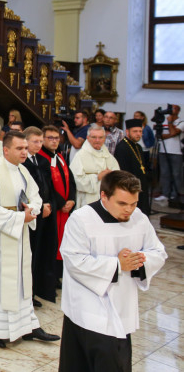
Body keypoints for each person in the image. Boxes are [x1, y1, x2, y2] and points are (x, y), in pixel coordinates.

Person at [59, 171, 167, 372]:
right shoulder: (81, 219)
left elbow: (158, 252)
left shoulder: (139, 218)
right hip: (87, 307)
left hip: (122, 304)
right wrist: (117, 265)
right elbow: (74, 260)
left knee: (118, 362)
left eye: (133, 203)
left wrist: (138, 261)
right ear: (104, 196)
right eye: (122, 203)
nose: (129, 210)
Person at [0, 131, 59, 347]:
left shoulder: (22, 171)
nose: (24, 152)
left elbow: (36, 196)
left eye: (25, 148)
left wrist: (32, 209)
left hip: (18, 236)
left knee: (21, 280)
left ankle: (27, 325)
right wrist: (21, 217)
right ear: (6, 150)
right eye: (19, 148)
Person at [22, 127, 57, 306]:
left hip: (46, 212)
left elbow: (48, 185)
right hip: (31, 214)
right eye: (35, 141)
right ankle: (27, 293)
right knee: (30, 253)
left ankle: (36, 290)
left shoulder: (42, 161)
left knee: (41, 252)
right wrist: (40, 206)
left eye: (41, 141)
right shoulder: (23, 163)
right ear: (26, 141)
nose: (39, 145)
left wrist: (49, 204)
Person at [36, 125, 76, 278]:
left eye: (57, 138)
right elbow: (47, 186)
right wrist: (61, 202)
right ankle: (49, 276)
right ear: (43, 139)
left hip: (64, 208)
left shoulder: (59, 156)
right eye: (50, 138)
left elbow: (70, 179)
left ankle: (58, 273)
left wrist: (71, 199)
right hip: (53, 209)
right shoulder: (41, 158)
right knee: (50, 244)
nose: (54, 141)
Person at [71, 125, 120, 209]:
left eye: (100, 137)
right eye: (94, 137)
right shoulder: (80, 156)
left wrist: (110, 176)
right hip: (87, 201)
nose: (97, 140)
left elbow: (118, 177)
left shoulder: (108, 156)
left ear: (104, 138)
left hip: (106, 199)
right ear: (88, 138)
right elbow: (75, 181)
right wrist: (97, 177)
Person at [114, 119, 151, 215]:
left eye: (140, 131)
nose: (138, 134)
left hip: (141, 187)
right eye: (135, 131)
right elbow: (123, 172)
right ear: (127, 132)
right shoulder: (122, 148)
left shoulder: (138, 147)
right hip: (130, 188)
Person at [156, 104, 183, 202]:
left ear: (178, 111)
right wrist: (172, 134)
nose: (171, 110)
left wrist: (170, 122)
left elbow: (173, 132)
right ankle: (165, 194)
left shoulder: (181, 122)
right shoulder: (163, 121)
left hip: (176, 152)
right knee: (164, 173)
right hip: (163, 151)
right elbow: (159, 136)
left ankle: (175, 195)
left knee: (176, 174)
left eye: (174, 108)